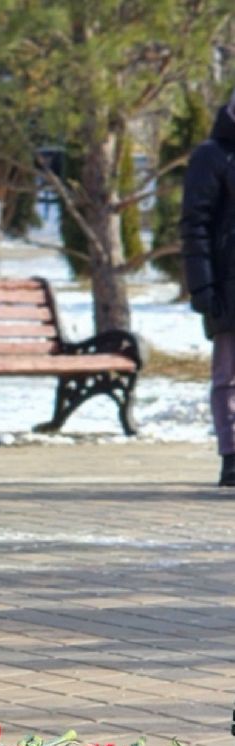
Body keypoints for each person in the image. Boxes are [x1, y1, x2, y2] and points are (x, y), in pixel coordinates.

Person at [181, 86, 235, 487]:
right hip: (229, 287)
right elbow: (195, 225)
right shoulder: (211, 156)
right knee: (228, 377)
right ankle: (232, 455)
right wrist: (202, 287)